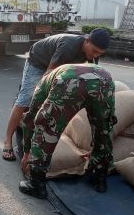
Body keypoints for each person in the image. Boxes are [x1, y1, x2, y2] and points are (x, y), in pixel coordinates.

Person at [1, 28, 110, 161]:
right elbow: (48, 75)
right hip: (39, 61)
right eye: (94, 51)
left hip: (61, 66)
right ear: (87, 40)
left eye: (100, 54)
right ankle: (7, 141)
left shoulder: (92, 55)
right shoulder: (68, 47)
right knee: (27, 97)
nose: (96, 56)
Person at [18, 64, 116, 199]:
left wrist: (27, 152)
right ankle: (100, 178)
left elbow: (31, 121)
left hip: (68, 81)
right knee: (103, 129)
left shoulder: (41, 86)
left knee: (46, 128)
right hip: (104, 79)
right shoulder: (64, 69)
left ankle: (37, 184)